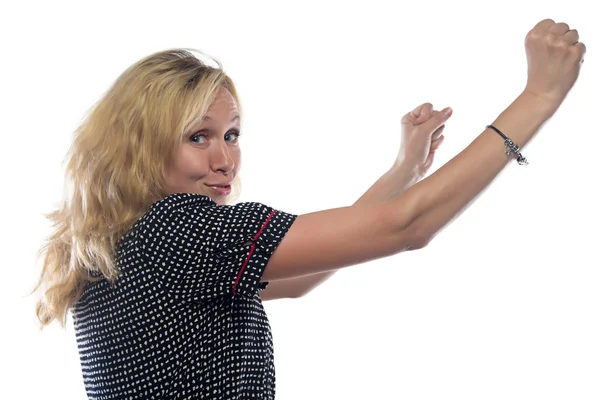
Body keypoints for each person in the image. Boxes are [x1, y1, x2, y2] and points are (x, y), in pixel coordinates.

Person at [34, 18, 586, 399]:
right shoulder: (179, 231)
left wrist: (404, 171)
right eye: (198, 138)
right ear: (140, 144)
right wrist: (539, 97)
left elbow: (302, 275)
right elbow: (408, 226)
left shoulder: (122, 242)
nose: (225, 158)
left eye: (231, 133)